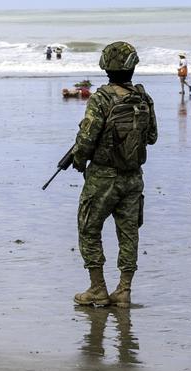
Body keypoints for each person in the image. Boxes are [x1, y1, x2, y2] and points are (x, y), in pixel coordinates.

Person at [69, 42, 158, 308]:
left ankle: (97, 287)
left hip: (103, 176)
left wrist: (78, 159)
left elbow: (86, 138)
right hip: (133, 177)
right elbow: (152, 137)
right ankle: (124, 290)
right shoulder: (143, 97)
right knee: (129, 233)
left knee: (88, 227)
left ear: (106, 66)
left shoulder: (102, 98)